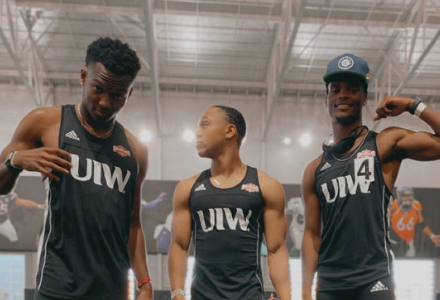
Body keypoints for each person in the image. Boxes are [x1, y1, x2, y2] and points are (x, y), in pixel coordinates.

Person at [0, 37, 153, 300]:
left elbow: (133, 224)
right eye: (98, 89)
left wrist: (145, 282)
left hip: (112, 289)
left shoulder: (136, 151)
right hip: (57, 287)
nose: (105, 102)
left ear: (129, 93)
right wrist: (15, 160)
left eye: (117, 95)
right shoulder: (44, 122)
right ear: (84, 77)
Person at [301, 53, 440, 300]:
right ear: (327, 99)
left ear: (364, 97)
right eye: (335, 90)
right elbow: (312, 235)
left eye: (352, 89)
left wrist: (411, 105)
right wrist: (304, 291)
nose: (343, 94)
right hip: (330, 285)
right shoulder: (314, 170)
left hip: (374, 280)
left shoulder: (385, 143)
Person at [168, 106, 291, 300]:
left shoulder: (266, 186)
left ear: (229, 131)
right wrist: (177, 294)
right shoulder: (187, 188)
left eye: (205, 125)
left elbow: (276, 249)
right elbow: (179, 246)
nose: (197, 133)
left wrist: (286, 298)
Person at [389, 187, 440, 257]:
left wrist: (432, 236)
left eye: (408, 195)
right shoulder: (393, 206)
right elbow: (385, 222)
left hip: (409, 241)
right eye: (404, 196)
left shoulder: (416, 205)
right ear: (399, 196)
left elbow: (422, 224)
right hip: (395, 239)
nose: (407, 198)